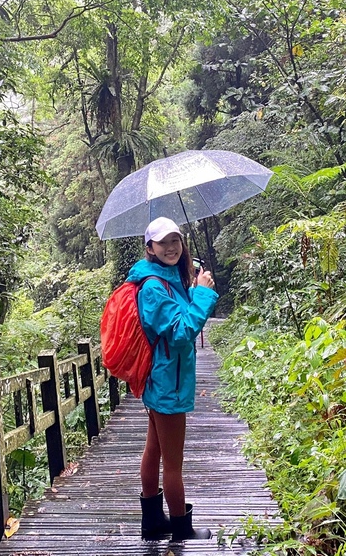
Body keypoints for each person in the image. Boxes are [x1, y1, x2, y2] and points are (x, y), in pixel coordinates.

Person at [129, 216, 218, 541]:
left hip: (165, 378)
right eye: (163, 242)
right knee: (174, 464)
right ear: (149, 247)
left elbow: (178, 321)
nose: (170, 248)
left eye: (175, 241)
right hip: (168, 382)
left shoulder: (167, 279)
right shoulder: (153, 288)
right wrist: (204, 296)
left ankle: (153, 521)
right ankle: (181, 528)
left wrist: (193, 287)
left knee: (154, 449)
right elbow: (181, 333)